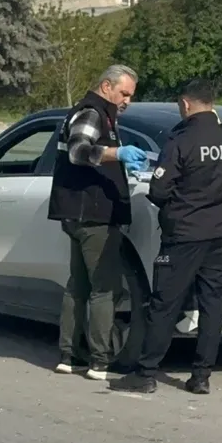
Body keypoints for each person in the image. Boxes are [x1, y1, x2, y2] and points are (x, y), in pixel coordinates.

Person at [109, 78, 222, 395]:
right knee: (212, 304)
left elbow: (159, 190)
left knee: (165, 304)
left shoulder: (180, 142)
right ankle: (201, 376)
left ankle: (146, 373)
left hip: (185, 233)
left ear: (185, 104)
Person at [48, 64, 149, 380]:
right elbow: (78, 151)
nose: (127, 101)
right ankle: (99, 361)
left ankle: (69, 355)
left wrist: (117, 162)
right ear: (107, 86)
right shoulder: (92, 112)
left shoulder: (96, 112)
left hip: (78, 212)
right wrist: (116, 155)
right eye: (124, 93)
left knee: (78, 285)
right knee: (103, 288)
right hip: (92, 214)